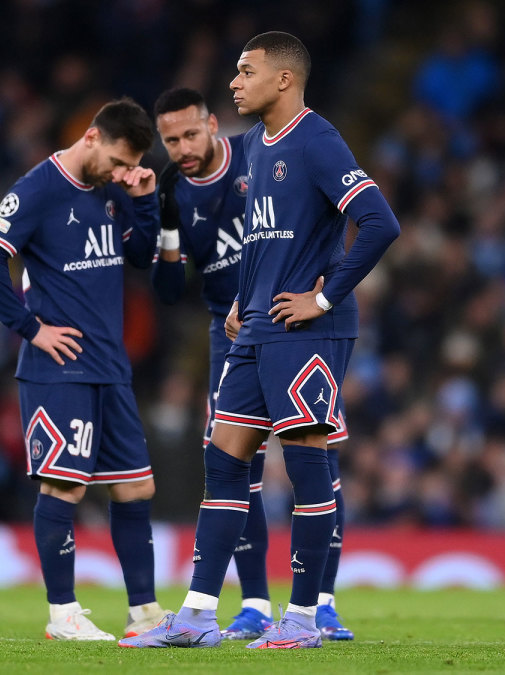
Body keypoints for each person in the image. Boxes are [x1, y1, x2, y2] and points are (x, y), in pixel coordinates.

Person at [122, 32, 400, 649]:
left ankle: (303, 617)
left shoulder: (316, 139)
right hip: (255, 328)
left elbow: (380, 221)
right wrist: (245, 299)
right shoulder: (254, 149)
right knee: (224, 462)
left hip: (306, 329)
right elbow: (260, 238)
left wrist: (324, 298)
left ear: (283, 79)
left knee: (307, 469)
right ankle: (197, 615)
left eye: (246, 71)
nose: (234, 81)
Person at [149, 86, 354, 641]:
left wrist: (325, 295)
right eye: (170, 140)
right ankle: (254, 605)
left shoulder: (260, 151)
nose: (183, 147)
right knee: (232, 464)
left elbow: (339, 220)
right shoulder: (173, 190)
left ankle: (320, 604)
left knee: (313, 455)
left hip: (288, 321)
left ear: (213, 124)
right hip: (230, 329)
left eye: (191, 133)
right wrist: (165, 223)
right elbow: (169, 289)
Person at [0, 98, 168, 641]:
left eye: (130, 166)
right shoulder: (37, 188)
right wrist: (31, 329)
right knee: (63, 489)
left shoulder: (114, 189)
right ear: (91, 138)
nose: (122, 173)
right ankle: (63, 614)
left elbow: (140, 257)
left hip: (110, 366)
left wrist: (144, 201)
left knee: (135, 490)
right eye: (118, 161)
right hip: (59, 369)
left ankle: (145, 615)